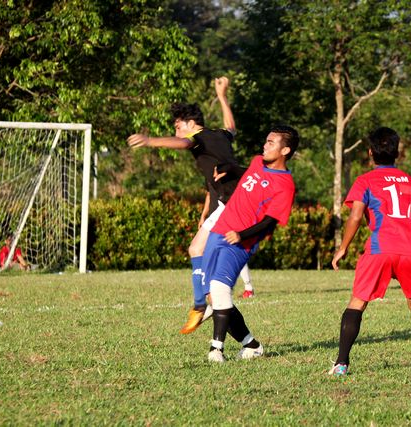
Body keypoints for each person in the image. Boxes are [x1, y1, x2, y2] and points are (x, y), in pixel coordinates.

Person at [127, 76, 254, 335]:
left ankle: (202, 303)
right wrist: (222, 95)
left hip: (232, 204)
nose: (176, 132)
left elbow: (184, 142)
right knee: (196, 248)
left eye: (177, 126)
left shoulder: (197, 137)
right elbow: (231, 127)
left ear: (191, 123)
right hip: (230, 201)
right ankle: (204, 305)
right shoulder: (219, 135)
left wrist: (150, 141)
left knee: (209, 270)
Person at [329, 127, 411, 376]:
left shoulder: (365, 180)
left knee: (357, 303)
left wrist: (342, 248)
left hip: (381, 247)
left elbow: (355, 216)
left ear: (370, 153)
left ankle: (342, 364)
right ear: (397, 153)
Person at [201, 124, 299, 362]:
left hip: (240, 242)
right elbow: (245, 171)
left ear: (285, 150)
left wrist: (242, 235)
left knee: (220, 290)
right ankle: (251, 345)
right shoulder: (257, 162)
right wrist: (228, 168)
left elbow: (269, 222)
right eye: (266, 141)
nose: (265, 146)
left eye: (271, 143)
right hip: (219, 230)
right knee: (212, 295)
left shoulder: (285, 185)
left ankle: (216, 349)